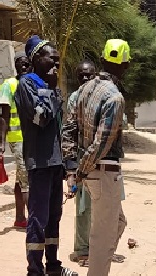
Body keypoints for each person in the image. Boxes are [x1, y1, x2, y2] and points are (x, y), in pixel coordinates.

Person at [64, 39, 131, 276]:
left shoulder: (83, 90)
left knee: (118, 223)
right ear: (125, 65)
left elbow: (68, 130)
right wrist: (80, 171)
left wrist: (74, 168)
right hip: (103, 171)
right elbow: (102, 142)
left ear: (103, 60)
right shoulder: (114, 97)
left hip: (92, 171)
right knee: (102, 237)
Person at [15, 35, 79, 276]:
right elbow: (40, 119)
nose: (54, 59)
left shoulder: (50, 84)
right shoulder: (26, 84)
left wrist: (68, 164)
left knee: (54, 216)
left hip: (55, 162)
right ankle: (35, 270)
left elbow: (60, 126)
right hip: (39, 162)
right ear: (35, 59)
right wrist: (52, 91)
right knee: (38, 217)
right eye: (48, 55)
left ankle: (53, 264)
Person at [65, 60, 96, 264]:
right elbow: (69, 132)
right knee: (83, 208)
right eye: (81, 75)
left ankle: (100, 248)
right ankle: (83, 249)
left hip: (102, 160)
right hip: (82, 160)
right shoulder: (74, 99)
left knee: (104, 209)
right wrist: (71, 168)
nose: (85, 78)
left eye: (88, 74)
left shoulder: (103, 96)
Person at [0, 53, 32, 228]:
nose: (24, 67)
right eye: (20, 65)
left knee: (20, 178)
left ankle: (20, 218)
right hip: (17, 139)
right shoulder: (8, 86)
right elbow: (4, 117)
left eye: (27, 65)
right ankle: (34, 224)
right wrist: (1, 143)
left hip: (31, 139)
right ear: (16, 67)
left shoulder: (32, 84)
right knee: (26, 182)